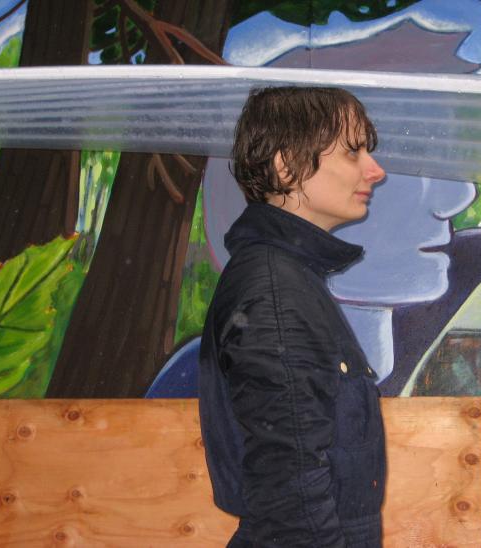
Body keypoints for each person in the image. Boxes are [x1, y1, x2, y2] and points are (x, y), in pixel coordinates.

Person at [198, 86, 387, 547]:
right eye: (352, 152)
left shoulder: (285, 279)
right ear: (285, 166)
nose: (375, 171)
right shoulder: (275, 293)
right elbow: (291, 497)